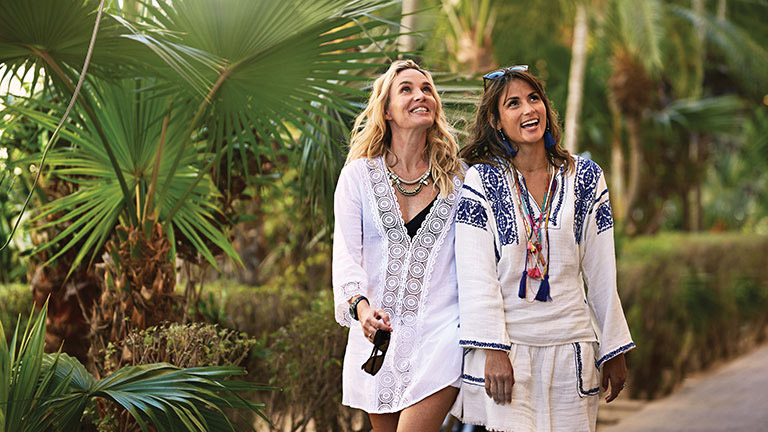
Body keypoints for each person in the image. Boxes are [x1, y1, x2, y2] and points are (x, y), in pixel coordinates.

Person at [450, 65, 635, 432]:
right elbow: (476, 273)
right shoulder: (481, 180)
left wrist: (614, 347)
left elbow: (601, 270)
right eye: (513, 103)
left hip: (573, 350)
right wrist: (494, 350)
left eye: (534, 98)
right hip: (511, 354)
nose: (528, 110)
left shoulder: (584, 176)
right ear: (496, 121)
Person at [332, 59, 465, 431]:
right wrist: (361, 308)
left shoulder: (460, 182)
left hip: (442, 337)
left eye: (427, 89)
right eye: (406, 89)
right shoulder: (357, 177)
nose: (420, 95)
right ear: (386, 110)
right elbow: (345, 253)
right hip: (379, 338)